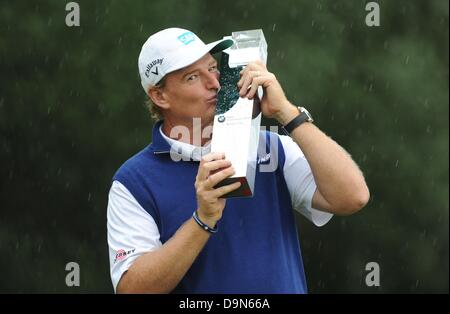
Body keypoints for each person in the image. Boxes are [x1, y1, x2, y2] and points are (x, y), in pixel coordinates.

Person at [107, 27, 370, 294]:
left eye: (212, 68)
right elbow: (132, 290)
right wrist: (203, 219)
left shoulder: (271, 147)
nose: (215, 83)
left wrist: (286, 113)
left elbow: (352, 196)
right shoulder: (133, 181)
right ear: (159, 96)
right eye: (193, 77)